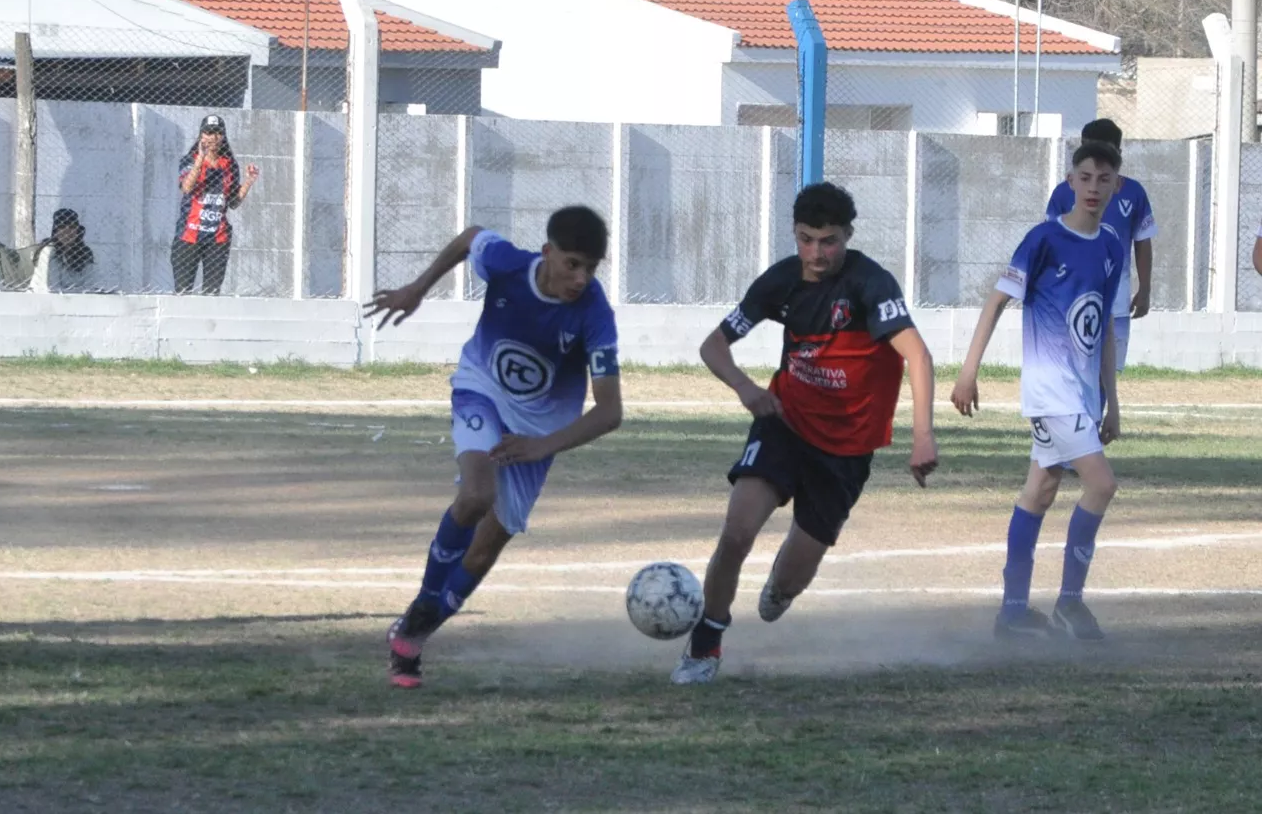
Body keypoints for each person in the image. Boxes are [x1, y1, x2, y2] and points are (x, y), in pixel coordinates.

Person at [670, 182, 939, 686]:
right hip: (785, 424)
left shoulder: (870, 284)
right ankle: (706, 643)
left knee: (785, 589)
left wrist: (922, 435)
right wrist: (746, 388)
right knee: (735, 534)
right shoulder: (781, 282)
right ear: (794, 235)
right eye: (806, 239)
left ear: (848, 236)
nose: (817, 252)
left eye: (829, 240)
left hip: (848, 449)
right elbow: (713, 346)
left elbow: (918, 356)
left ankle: (782, 585)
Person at [364, 206, 624, 690]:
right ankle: (424, 601)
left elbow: (610, 412)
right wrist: (418, 289)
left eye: (591, 268)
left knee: (483, 553)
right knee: (476, 495)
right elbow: (470, 237)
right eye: (572, 264)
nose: (581, 278)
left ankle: (411, 639)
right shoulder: (507, 264)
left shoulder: (594, 314)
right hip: (481, 388)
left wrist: (540, 445)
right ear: (547, 253)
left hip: (536, 433)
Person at [951, 141, 1126, 642]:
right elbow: (996, 302)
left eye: (1104, 178)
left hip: (1081, 397)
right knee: (1101, 484)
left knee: (1040, 491)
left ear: (1117, 184)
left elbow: (1105, 327)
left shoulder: (1112, 247)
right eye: (1086, 177)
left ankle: (1012, 612)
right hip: (1051, 393)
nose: (1094, 187)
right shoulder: (1044, 239)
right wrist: (968, 373)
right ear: (1070, 181)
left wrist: (1111, 401)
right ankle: (1070, 605)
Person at [1045, 119, 1156, 385]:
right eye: (1088, 151)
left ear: (1117, 154)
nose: (1095, 159)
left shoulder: (1134, 192)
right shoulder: (1064, 192)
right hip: (1071, 299)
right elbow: (1050, 244)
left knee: (1107, 376)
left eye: (1103, 152)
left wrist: (1145, 289)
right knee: (1070, 374)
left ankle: (1097, 422)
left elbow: (1143, 242)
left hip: (1115, 303)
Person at [171, 114, 259, 295]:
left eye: (218, 133)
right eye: (209, 132)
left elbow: (233, 202)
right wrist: (200, 159)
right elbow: (187, 188)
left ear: (223, 136)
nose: (213, 137)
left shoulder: (229, 165)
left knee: (212, 293)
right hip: (189, 235)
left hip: (217, 238)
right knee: (182, 293)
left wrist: (249, 182)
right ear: (201, 135)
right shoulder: (190, 160)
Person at [34, 208, 96, 293]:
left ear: (77, 231)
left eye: (72, 227)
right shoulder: (49, 250)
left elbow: (90, 286)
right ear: (55, 231)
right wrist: (80, 291)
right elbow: (53, 288)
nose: (68, 231)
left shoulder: (85, 252)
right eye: (62, 226)